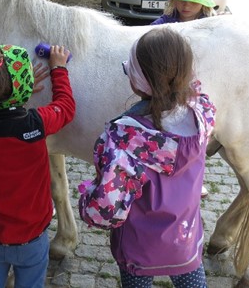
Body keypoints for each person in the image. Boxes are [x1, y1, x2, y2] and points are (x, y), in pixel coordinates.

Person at [78, 27, 216, 288]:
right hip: (185, 239)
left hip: (137, 248)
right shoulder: (203, 114)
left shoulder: (122, 138)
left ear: (137, 81)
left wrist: (86, 200)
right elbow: (197, 97)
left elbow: (106, 208)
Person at [0, 44, 75, 288]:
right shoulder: (36, 124)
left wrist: (8, 90)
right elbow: (66, 107)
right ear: (24, 88)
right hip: (32, 242)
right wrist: (58, 68)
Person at [151, 0, 214, 199]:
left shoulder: (211, 27)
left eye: (193, 1)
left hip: (197, 88)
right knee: (164, 128)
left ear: (203, 3)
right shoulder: (162, 23)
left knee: (195, 134)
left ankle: (196, 175)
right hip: (166, 89)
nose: (186, 6)